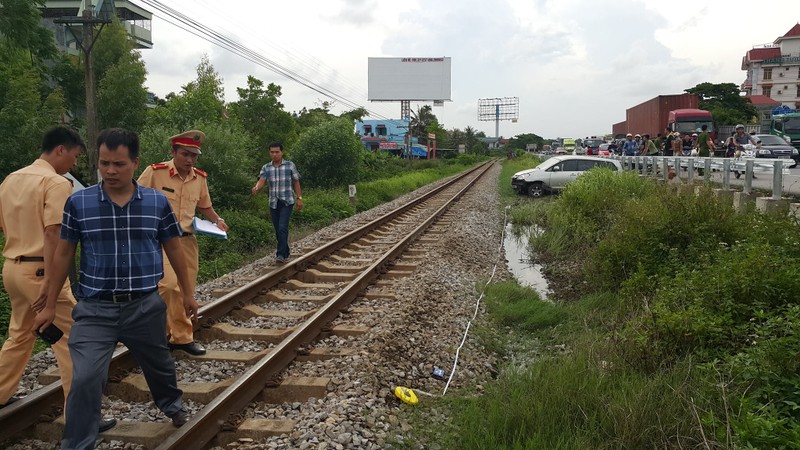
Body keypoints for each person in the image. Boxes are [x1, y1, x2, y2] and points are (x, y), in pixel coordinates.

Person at [35, 128, 197, 449]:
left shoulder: (155, 203)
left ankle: (172, 405)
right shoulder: (78, 203)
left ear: (135, 163)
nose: (110, 171)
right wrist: (50, 302)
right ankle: (78, 442)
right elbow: (64, 253)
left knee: (160, 366)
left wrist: (188, 293)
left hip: (144, 306)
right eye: (104, 163)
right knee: (84, 379)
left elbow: (175, 249)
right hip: (95, 309)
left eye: (119, 164)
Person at [0, 127, 83, 410]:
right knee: (73, 340)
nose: (74, 163)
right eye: (74, 156)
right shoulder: (55, 183)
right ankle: (83, 415)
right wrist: (51, 281)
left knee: (20, 334)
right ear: (61, 149)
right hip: (40, 272)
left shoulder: (12, 179)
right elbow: (54, 233)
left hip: (12, 268)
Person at [137, 130, 228, 356]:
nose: (189, 160)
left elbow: (204, 205)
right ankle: (162, 335)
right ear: (173, 152)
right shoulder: (155, 173)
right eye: (185, 154)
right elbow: (135, 197)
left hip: (187, 241)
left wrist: (217, 220)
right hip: (160, 241)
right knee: (168, 286)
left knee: (186, 290)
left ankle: (181, 338)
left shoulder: (199, 178)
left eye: (194, 156)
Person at [251, 142, 303, 263]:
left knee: (282, 227)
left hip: (287, 201)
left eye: (277, 152)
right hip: (273, 202)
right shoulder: (266, 167)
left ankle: (280, 254)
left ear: (282, 152)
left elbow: (296, 182)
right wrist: (257, 188)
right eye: (272, 152)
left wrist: (299, 198)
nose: (274, 154)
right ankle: (285, 250)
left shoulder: (290, 165)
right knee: (277, 229)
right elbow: (262, 180)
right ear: (269, 153)